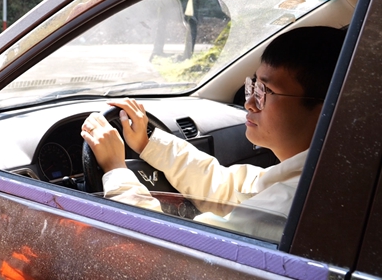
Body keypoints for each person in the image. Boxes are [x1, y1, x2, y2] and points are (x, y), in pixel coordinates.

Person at [81, 26, 346, 241]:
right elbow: (230, 187)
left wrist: (115, 169)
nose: (250, 103)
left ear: (326, 112)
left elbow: (173, 250)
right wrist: (149, 142)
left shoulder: (283, 211)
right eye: (253, 86)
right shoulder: (320, 176)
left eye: (265, 91)